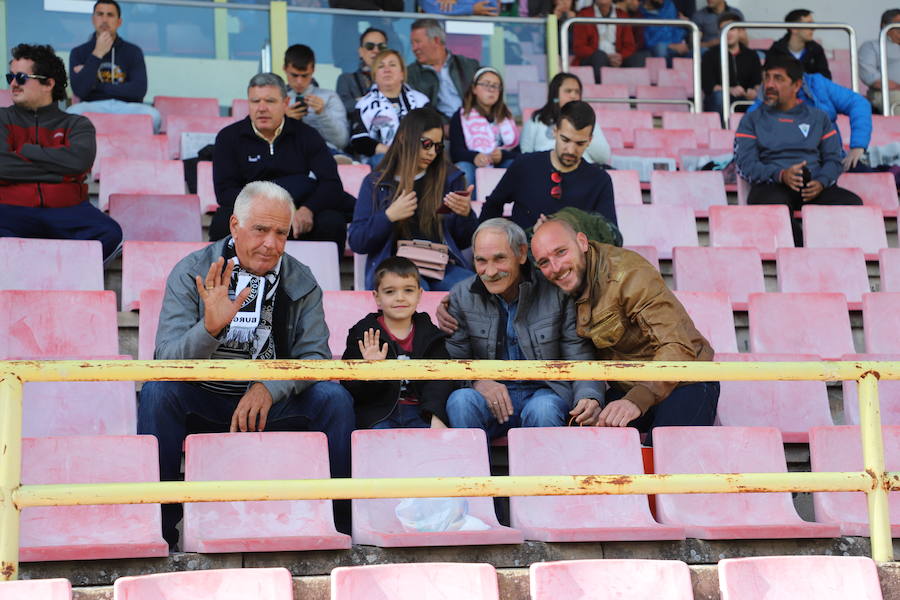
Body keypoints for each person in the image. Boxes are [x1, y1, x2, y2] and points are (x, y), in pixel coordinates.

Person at [137, 180, 355, 547]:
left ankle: (340, 525)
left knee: (335, 401)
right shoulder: (192, 271)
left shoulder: (300, 279)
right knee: (158, 394)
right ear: (235, 225)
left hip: (270, 403)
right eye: (260, 230)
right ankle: (158, 528)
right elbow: (166, 361)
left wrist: (270, 387)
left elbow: (315, 357)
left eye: (281, 233)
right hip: (204, 397)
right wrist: (210, 327)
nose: (271, 243)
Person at [530, 218, 719, 444]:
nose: (556, 267)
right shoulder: (558, 285)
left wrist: (638, 399)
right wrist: (592, 398)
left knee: (664, 455)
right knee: (584, 437)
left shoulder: (628, 274)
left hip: (686, 381)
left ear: (582, 242)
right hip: (629, 387)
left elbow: (676, 346)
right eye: (544, 262)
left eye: (561, 252)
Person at [444, 218, 604, 438]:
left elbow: (579, 354)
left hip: (545, 392)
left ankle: (544, 473)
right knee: (460, 401)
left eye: (499, 258)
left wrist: (589, 396)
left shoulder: (556, 292)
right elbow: (451, 360)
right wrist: (476, 381)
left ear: (521, 253)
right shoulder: (461, 295)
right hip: (488, 396)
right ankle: (474, 473)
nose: (490, 272)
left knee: (544, 409)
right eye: (481, 261)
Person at [0, 43, 122, 261]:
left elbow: (78, 163)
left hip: (67, 211)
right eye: (10, 76)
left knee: (109, 232)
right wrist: (61, 174)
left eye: (21, 77)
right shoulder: (2, 119)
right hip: (11, 209)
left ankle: (61, 274)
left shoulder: (77, 124)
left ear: (48, 83)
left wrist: (27, 150)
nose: (13, 84)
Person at [210, 73, 352, 254]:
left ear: (285, 103)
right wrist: (271, 210)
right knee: (223, 220)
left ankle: (322, 280)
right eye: (255, 101)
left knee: (331, 221)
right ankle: (228, 281)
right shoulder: (229, 137)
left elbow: (331, 183)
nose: (261, 108)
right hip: (254, 212)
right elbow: (225, 192)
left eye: (270, 101)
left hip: (299, 215)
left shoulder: (307, 135)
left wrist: (308, 209)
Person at [735, 56, 862, 246]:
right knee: (771, 206)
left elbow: (834, 159)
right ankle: (801, 253)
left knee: (852, 204)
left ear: (797, 85)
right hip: (772, 184)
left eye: (778, 79)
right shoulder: (751, 120)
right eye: (767, 77)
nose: (769, 84)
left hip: (813, 185)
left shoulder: (819, 118)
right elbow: (746, 165)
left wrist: (821, 181)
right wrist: (781, 174)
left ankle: (827, 254)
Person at [350, 107, 477, 291]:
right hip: (395, 270)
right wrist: (389, 217)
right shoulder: (376, 183)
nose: (432, 152)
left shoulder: (449, 178)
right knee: (413, 291)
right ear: (403, 138)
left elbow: (464, 241)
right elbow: (357, 241)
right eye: (426, 144)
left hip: (440, 266)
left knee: (475, 290)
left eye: (438, 146)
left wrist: (465, 214)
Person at [341, 256, 454, 429]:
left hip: (421, 412)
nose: (400, 298)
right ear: (377, 297)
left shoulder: (431, 335)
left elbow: (440, 381)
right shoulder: (363, 335)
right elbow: (351, 387)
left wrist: (436, 415)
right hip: (379, 415)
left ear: (419, 294)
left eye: (408, 290)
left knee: (435, 445)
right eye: (390, 292)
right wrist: (371, 374)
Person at [484, 101, 616, 232]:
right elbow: (492, 207)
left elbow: (610, 236)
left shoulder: (600, 180)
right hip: (523, 251)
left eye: (580, 143)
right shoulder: (524, 165)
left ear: (590, 140)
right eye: (565, 140)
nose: (571, 150)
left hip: (577, 252)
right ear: (555, 132)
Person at [748, 67, 873, 172]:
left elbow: (858, 103)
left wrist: (858, 146)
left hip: (830, 161)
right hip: (787, 169)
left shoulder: (816, 83)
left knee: (870, 176)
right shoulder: (765, 101)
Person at [66, 0, 162, 132]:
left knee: (154, 116)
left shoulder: (133, 51)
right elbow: (80, 90)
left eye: (110, 15)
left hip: (127, 107)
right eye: (100, 14)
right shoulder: (79, 52)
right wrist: (97, 54)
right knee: (72, 113)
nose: (104, 19)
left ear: (119, 22)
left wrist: (96, 86)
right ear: (93, 19)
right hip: (92, 105)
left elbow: (139, 90)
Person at [349, 49, 430, 167]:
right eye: (381, 66)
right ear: (374, 75)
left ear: (402, 73)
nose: (387, 70)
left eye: (392, 65)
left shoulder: (421, 101)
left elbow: (433, 134)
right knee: (383, 160)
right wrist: (393, 152)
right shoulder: (363, 105)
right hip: (382, 161)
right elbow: (359, 141)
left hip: (417, 159)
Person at [448, 67, 520, 193]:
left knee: (515, 165)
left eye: (496, 86)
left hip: (499, 165)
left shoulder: (506, 118)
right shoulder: (461, 116)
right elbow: (455, 152)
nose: (491, 89)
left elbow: (518, 154)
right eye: (486, 84)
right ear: (474, 89)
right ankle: (466, 210)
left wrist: (503, 155)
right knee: (463, 168)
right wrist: (474, 157)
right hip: (473, 166)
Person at [520, 72, 611, 165]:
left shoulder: (588, 122)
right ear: (555, 94)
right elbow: (525, 154)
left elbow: (603, 157)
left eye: (577, 92)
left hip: (582, 173)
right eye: (568, 91)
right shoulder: (537, 120)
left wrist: (583, 133)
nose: (573, 95)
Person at [406, 19, 480, 120]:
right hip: (438, 129)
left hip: (474, 125)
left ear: (436, 40)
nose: (414, 48)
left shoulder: (468, 65)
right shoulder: (411, 74)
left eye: (417, 42)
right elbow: (419, 111)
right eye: (412, 43)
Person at [283, 44, 349, 155]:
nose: (299, 81)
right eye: (294, 75)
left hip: (326, 152)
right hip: (287, 153)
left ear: (313, 70)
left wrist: (322, 114)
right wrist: (284, 121)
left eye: (304, 76)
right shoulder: (275, 100)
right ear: (285, 69)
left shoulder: (330, 97)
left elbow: (342, 142)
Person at [700, 13, 761, 114]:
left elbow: (757, 82)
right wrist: (730, 90)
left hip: (745, 98)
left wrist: (753, 92)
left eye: (731, 29)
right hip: (720, 99)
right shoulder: (709, 55)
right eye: (724, 29)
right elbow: (708, 86)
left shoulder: (751, 55)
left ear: (739, 31)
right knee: (720, 96)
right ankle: (722, 129)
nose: (728, 33)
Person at [572, 0, 643, 83]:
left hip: (617, 58)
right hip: (593, 59)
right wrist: (606, 57)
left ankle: (629, 93)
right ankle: (601, 90)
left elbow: (629, 46)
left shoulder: (622, 15)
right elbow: (579, 47)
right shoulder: (584, 14)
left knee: (639, 58)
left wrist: (620, 56)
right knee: (599, 57)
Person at [336, 27, 388, 117]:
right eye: (370, 46)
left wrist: (358, 100)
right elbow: (342, 108)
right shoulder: (346, 79)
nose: (376, 50)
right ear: (360, 52)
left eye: (381, 47)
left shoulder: (396, 79)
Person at [767, 9, 831, 80]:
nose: (813, 28)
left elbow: (826, 80)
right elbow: (768, 79)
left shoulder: (816, 50)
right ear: (794, 28)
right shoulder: (777, 50)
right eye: (808, 24)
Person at [859, 8, 900, 114]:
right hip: (886, 93)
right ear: (884, 25)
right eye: (898, 24)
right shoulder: (871, 46)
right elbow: (870, 77)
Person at [641, 0, 690, 67]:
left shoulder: (669, 4)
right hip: (658, 48)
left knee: (702, 51)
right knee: (661, 49)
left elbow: (675, 28)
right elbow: (646, 41)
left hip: (678, 44)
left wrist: (682, 42)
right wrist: (670, 45)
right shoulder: (640, 12)